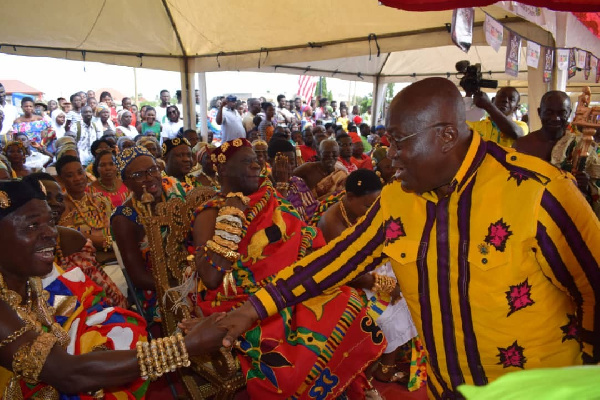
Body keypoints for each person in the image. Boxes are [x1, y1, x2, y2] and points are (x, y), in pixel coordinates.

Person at [215, 77, 600, 399]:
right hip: (445, 389)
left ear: (447, 135)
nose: (388, 154)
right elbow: (334, 262)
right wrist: (250, 309)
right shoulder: (397, 198)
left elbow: (594, 288)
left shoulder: (538, 192)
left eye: (399, 141)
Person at [188, 138, 385, 398]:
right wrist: (230, 219)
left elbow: (303, 241)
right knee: (290, 347)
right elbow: (211, 278)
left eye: (257, 159)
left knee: (346, 300)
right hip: (234, 300)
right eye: (247, 160)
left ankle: (335, 387)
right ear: (223, 169)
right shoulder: (210, 213)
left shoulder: (269, 198)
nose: (257, 164)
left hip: (282, 286)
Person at [0, 179, 228, 399]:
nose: (51, 233)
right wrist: (187, 346)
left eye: (50, 222)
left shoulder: (36, 283)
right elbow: (67, 373)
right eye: (32, 225)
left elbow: (80, 325)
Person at [314, 169, 421, 389]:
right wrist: (388, 285)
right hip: (345, 284)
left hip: (370, 270)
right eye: (367, 206)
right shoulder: (333, 223)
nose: (372, 211)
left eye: (376, 205)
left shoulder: (362, 210)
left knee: (416, 283)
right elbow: (347, 274)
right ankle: (384, 369)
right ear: (350, 197)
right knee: (395, 306)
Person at [24, 172, 127, 308]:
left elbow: (111, 295)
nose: (55, 203)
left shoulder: (71, 239)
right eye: (46, 197)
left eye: (60, 199)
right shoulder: (18, 248)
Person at [111, 146, 187, 322]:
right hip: (158, 290)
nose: (150, 177)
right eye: (139, 175)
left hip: (191, 274)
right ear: (126, 183)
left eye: (153, 169)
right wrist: (181, 287)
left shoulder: (175, 191)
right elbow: (138, 277)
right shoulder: (124, 218)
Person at [56, 155, 113, 257]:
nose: (77, 178)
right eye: (70, 175)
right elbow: (71, 235)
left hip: (112, 253)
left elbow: (112, 225)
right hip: (85, 258)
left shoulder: (99, 199)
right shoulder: (62, 205)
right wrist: (107, 242)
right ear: (61, 180)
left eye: (80, 172)